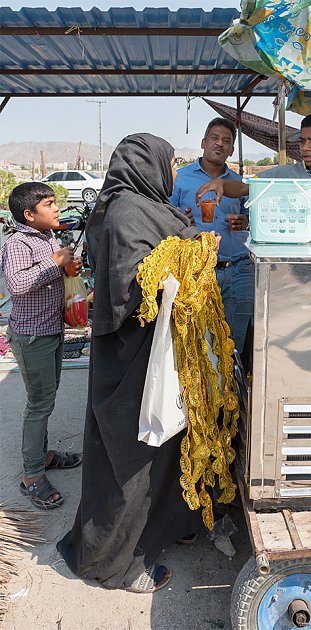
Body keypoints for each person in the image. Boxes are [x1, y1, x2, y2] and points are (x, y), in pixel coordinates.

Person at [57, 133, 212, 594]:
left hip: (157, 351)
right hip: (134, 357)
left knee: (168, 446)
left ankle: (167, 526)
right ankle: (111, 564)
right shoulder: (127, 210)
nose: (172, 174)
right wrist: (188, 254)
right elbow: (131, 287)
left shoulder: (144, 204)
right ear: (149, 165)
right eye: (168, 164)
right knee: (134, 456)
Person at [1, 182, 83, 510]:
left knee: (46, 399)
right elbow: (18, 284)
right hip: (32, 336)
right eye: (50, 204)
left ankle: (43, 455)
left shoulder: (46, 236)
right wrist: (55, 261)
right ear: (29, 214)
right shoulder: (19, 242)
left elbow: (47, 275)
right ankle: (32, 475)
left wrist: (67, 269)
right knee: (38, 404)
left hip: (50, 332)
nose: (57, 209)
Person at [170, 117, 254, 355]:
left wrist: (245, 221)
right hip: (196, 271)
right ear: (203, 142)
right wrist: (182, 221)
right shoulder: (181, 179)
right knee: (196, 345)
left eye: (226, 141)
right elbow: (166, 220)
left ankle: (229, 390)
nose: (220, 144)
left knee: (232, 344)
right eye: (214, 138)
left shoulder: (237, 183)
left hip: (237, 270)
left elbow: (253, 220)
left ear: (231, 150)